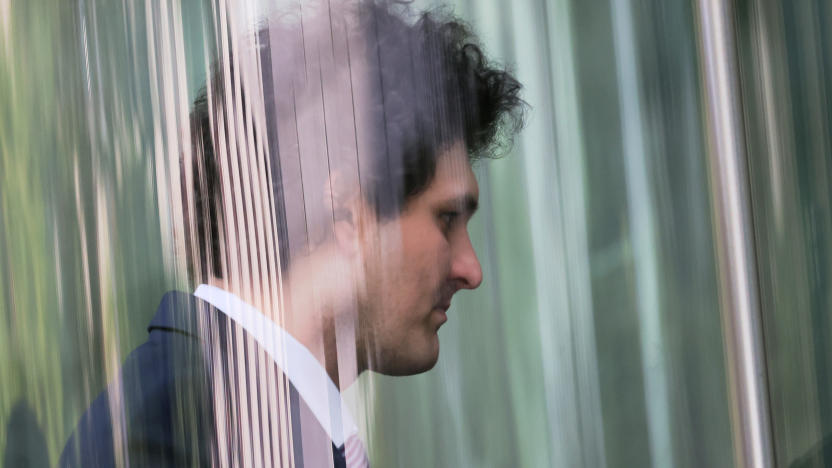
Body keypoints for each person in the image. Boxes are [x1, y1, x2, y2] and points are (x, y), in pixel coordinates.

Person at [60, 0, 524, 466]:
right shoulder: (164, 433)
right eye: (446, 218)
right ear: (347, 214)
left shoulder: (220, 417)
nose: (471, 270)